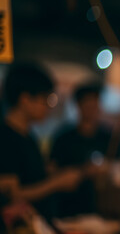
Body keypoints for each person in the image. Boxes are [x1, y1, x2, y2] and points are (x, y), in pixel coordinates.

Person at [0, 61, 82, 226]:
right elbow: (13, 195)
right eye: (45, 99)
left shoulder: (28, 135)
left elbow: (27, 177)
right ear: (25, 99)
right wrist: (56, 183)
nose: (48, 107)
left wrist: (50, 173)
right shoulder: (6, 137)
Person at [49, 81, 111, 217]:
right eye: (87, 103)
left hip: (103, 209)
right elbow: (51, 171)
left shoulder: (108, 137)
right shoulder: (63, 138)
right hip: (68, 209)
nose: (91, 108)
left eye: (95, 103)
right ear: (78, 105)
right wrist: (82, 172)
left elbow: (118, 168)